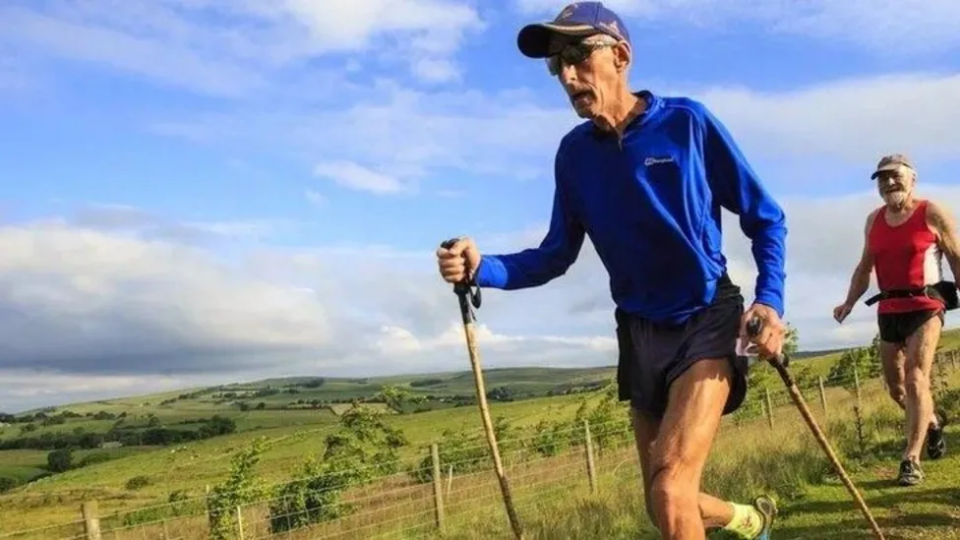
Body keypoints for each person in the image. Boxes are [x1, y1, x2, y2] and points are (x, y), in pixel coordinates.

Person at [436, 3, 786, 538]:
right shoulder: (573, 155)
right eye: (557, 65)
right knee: (662, 498)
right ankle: (748, 519)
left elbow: (766, 217)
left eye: (578, 54)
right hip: (639, 331)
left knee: (670, 490)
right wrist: (482, 267)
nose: (569, 74)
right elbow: (555, 255)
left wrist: (770, 301)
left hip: (707, 319)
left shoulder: (686, 124)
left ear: (620, 56)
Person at [833, 153, 957, 486]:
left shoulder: (931, 212)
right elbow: (864, 267)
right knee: (897, 388)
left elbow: (956, 255)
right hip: (888, 309)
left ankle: (910, 459)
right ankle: (930, 423)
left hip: (926, 304)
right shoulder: (873, 220)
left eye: (895, 176)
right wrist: (848, 302)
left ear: (912, 177)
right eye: (882, 178)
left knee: (917, 377)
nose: (889, 183)